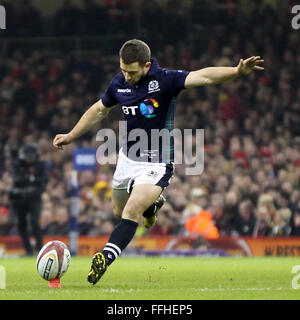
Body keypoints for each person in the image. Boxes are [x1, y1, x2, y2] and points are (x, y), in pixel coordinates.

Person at [53, 39, 264, 285]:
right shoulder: (119, 83)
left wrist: (236, 71)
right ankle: (153, 206)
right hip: (127, 159)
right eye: (123, 69)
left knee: (131, 211)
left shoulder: (165, 79)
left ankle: (104, 259)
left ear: (146, 65)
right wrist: (70, 135)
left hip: (157, 162)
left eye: (131, 71)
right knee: (119, 212)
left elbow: (203, 76)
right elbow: (99, 111)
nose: (126, 76)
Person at [9, 143, 48, 256]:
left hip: (35, 198)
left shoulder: (40, 165)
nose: (30, 159)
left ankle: (40, 249)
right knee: (22, 223)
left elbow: (43, 182)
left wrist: (29, 181)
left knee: (35, 222)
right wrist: (32, 180)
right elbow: (16, 180)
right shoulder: (18, 164)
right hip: (21, 199)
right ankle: (28, 251)